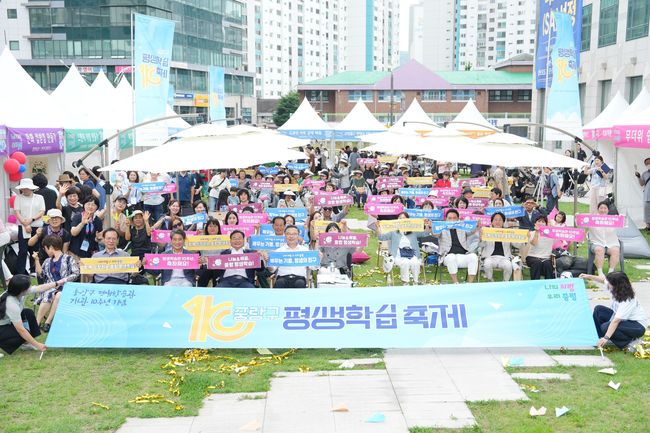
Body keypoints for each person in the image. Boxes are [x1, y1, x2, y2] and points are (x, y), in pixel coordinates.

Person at [582, 272, 648, 351]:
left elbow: (616, 321)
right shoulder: (618, 288)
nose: (608, 284)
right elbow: (603, 280)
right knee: (598, 310)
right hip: (625, 321)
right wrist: (588, 276)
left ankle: (629, 341)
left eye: (609, 283)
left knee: (605, 327)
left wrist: (606, 338)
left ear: (616, 285)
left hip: (637, 326)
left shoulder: (627, 300)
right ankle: (597, 338)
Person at [0, 275, 61, 354]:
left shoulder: (16, 291)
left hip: (8, 321)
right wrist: (37, 345)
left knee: (29, 313)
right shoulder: (11, 304)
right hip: (2, 327)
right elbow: (21, 330)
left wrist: (57, 283)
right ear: (22, 290)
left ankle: (25, 343)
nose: (31, 287)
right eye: (29, 286)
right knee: (20, 333)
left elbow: (40, 288)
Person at [32, 235, 79, 332]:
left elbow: (76, 274)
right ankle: (37, 323)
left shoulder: (68, 259)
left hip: (65, 287)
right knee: (50, 293)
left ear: (50, 247)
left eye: (45, 248)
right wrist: (36, 260)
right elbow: (41, 275)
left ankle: (47, 322)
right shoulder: (47, 261)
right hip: (51, 288)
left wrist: (61, 281)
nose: (45, 251)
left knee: (59, 295)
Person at [377, 213, 432, 285]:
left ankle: (415, 281)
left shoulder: (413, 231)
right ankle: (405, 282)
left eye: (404, 218)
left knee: (415, 263)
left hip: (412, 254)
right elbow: (381, 237)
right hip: (398, 255)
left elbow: (425, 233)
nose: (402, 220)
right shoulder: (393, 232)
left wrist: (428, 225)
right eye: (400, 218)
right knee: (405, 262)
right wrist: (378, 227)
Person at [435, 209, 479, 283]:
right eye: (450, 218)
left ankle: (470, 284)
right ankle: (456, 283)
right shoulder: (442, 228)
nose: (452, 220)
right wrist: (430, 228)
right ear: (446, 219)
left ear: (458, 219)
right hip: (447, 256)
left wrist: (476, 225)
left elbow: (471, 231)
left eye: (454, 218)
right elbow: (435, 234)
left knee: (473, 256)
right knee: (451, 257)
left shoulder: (462, 227)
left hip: (463, 255)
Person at [14, 178, 46, 275]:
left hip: (36, 226)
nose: (25, 190)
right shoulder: (18, 197)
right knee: (22, 250)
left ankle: (34, 272)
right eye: (23, 188)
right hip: (23, 226)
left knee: (35, 250)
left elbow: (42, 211)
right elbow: (17, 212)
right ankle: (20, 273)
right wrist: (25, 224)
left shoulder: (39, 197)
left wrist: (32, 219)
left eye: (27, 188)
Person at [480, 212, 521, 282]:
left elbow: (517, 245)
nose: (498, 222)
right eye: (495, 220)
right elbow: (481, 245)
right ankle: (490, 279)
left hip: (504, 258)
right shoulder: (487, 231)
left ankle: (505, 281)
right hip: (490, 257)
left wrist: (525, 238)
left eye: (500, 220)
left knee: (508, 266)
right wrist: (481, 238)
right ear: (492, 222)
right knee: (487, 264)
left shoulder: (508, 232)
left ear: (503, 222)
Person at [588, 201, 621, 277]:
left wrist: (621, 218)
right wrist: (577, 217)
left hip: (611, 243)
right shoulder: (592, 219)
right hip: (597, 243)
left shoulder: (613, 220)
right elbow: (581, 224)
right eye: (601, 208)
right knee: (599, 250)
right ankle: (600, 272)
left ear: (608, 210)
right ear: (598, 209)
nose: (603, 210)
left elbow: (623, 224)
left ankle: (611, 272)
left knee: (615, 251)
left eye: (605, 208)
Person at [526, 215, 555, 280]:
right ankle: (535, 284)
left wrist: (552, 228)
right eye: (539, 221)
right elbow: (534, 243)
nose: (541, 223)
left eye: (543, 222)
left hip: (545, 258)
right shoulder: (531, 233)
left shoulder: (551, 234)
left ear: (546, 224)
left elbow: (560, 235)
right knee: (537, 263)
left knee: (548, 265)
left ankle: (548, 284)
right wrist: (537, 231)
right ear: (535, 223)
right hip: (532, 257)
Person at [634, 158, 650, 231]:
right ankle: (648, 226)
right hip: (647, 196)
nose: (648, 164)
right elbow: (642, 183)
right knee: (647, 211)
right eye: (647, 164)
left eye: (649, 163)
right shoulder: (644, 174)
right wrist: (639, 177)